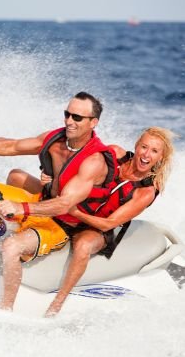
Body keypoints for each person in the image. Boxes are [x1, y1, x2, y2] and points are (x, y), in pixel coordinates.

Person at [0, 91, 117, 314]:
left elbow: (64, 204)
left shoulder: (94, 161)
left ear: (93, 123)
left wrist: (21, 208)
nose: (69, 121)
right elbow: (12, 147)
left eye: (77, 118)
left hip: (61, 223)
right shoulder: (55, 140)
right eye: (67, 114)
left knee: (12, 247)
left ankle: (6, 309)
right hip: (39, 202)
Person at [43, 126, 175, 315]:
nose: (146, 155)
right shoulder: (114, 153)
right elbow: (76, 168)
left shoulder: (146, 191)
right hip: (76, 204)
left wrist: (73, 212)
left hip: (97, 226)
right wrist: (52, 178)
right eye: (144, 147)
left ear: (160, 157)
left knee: (83, 245)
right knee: (17, 176)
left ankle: (57, 303)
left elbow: (108, 224)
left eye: (154, 151)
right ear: (136, 146)